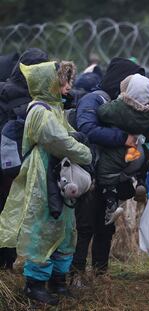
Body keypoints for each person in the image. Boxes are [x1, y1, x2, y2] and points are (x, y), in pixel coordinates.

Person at [0, 61, 92, 305]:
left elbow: (66, 134)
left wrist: (75, 140)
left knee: (64, 227)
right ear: (49, 83)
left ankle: (57, 281)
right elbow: (59, 141)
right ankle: (35, 285)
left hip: (56, 174)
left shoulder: (54, 108)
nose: (69, 86)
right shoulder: (40, 111)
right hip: (43, 175)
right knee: (44, 227)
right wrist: (85, 152)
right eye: (64, 81)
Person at [71, 57, 144, 278]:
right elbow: (87, 128)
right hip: (90, 175)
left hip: (109, 177)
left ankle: (100, 275)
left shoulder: (119, 106)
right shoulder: (94, 100)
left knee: (105, 227)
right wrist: (123, 138)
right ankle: (76, 275)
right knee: (86, 227)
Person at [0, 48, 49, 270]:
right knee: (13, 210)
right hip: (17, 163)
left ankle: (6, 261)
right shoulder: (33, 96)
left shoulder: (7, 89)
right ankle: (7, 261)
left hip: (11, 161)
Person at [96, 73, 149, 225]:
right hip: (139, 152)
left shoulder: (120, 107)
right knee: (141, 167)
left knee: (106, 173)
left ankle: (111, 203)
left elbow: (102, 112)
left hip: (119, 152)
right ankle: (141, 182)